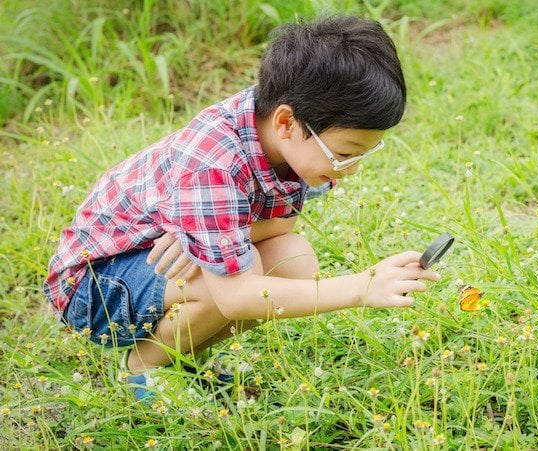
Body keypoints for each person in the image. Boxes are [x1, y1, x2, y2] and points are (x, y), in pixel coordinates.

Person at [43, 15, 440, 396]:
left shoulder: (288, 138)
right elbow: (236, 296)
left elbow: (282, 227)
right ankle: (141, 369)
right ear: (286, 123)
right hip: (95, 285)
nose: (349, 171)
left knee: (294, 260)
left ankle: (178, 359)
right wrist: (360, 286)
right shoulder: (213, 162)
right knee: (236, 272)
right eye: (344, 154)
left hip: (147, 268)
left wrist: (202, 236)